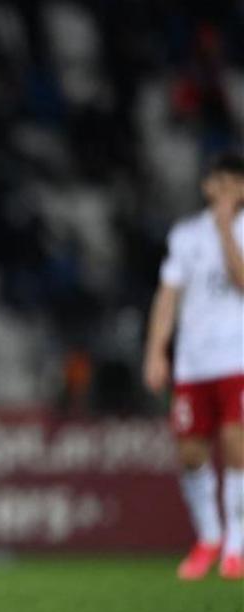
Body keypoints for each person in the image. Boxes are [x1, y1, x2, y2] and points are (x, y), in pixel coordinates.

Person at [143, 151, 244, 581]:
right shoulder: (184, 235)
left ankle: (237, 544)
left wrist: (226, 232)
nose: (226, 189)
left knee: (237, 444)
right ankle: (209, 536)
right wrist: (155, 350)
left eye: (235, 181)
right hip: (192, 362)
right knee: (190, 452)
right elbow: (168, 296)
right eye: (219, 181)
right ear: (207, 186)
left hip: (237, 356)